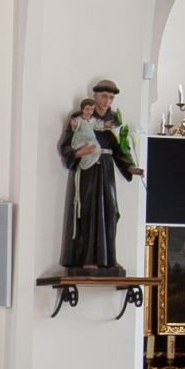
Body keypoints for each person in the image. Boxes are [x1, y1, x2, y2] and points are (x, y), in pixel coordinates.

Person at [58, 80, 139, 273]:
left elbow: (120, 150)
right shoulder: (82, 117)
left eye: (111, 97)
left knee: (111, 211)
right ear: (94, 96)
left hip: (107, 170)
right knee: (88, 210)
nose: (107, 101)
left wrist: (129, 167)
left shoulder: (115, 121)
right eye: (103, 96)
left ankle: (110, 259)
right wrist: (80, 152)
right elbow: (66, 145)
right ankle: (87, 258)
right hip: (89, 168)